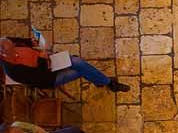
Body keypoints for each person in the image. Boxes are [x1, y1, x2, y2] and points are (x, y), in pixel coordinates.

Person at [0, 37, 129, 92]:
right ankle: (108, 83)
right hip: (49, 77)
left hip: (52, 61)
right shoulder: (13, 71)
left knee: (78, 62)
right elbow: (39, 77)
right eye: (13, 48)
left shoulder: (9, 43)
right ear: (4, 53)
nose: (16, 47)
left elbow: (19, 41)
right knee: (81, 69)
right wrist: (42, 59)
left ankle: (104, 82)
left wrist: (30, 41)